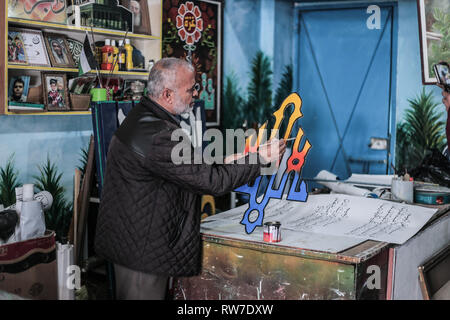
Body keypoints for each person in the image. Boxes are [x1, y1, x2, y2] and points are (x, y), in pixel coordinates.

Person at [94, 58, 286, 300]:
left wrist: (240, 157)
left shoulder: (142, 118)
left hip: (132, 242)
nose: (196, 94)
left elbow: (188, 167)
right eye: (190, 89)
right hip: (143, 252)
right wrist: (259, 159)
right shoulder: (160, 135)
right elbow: (211, 182)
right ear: (166, 94)